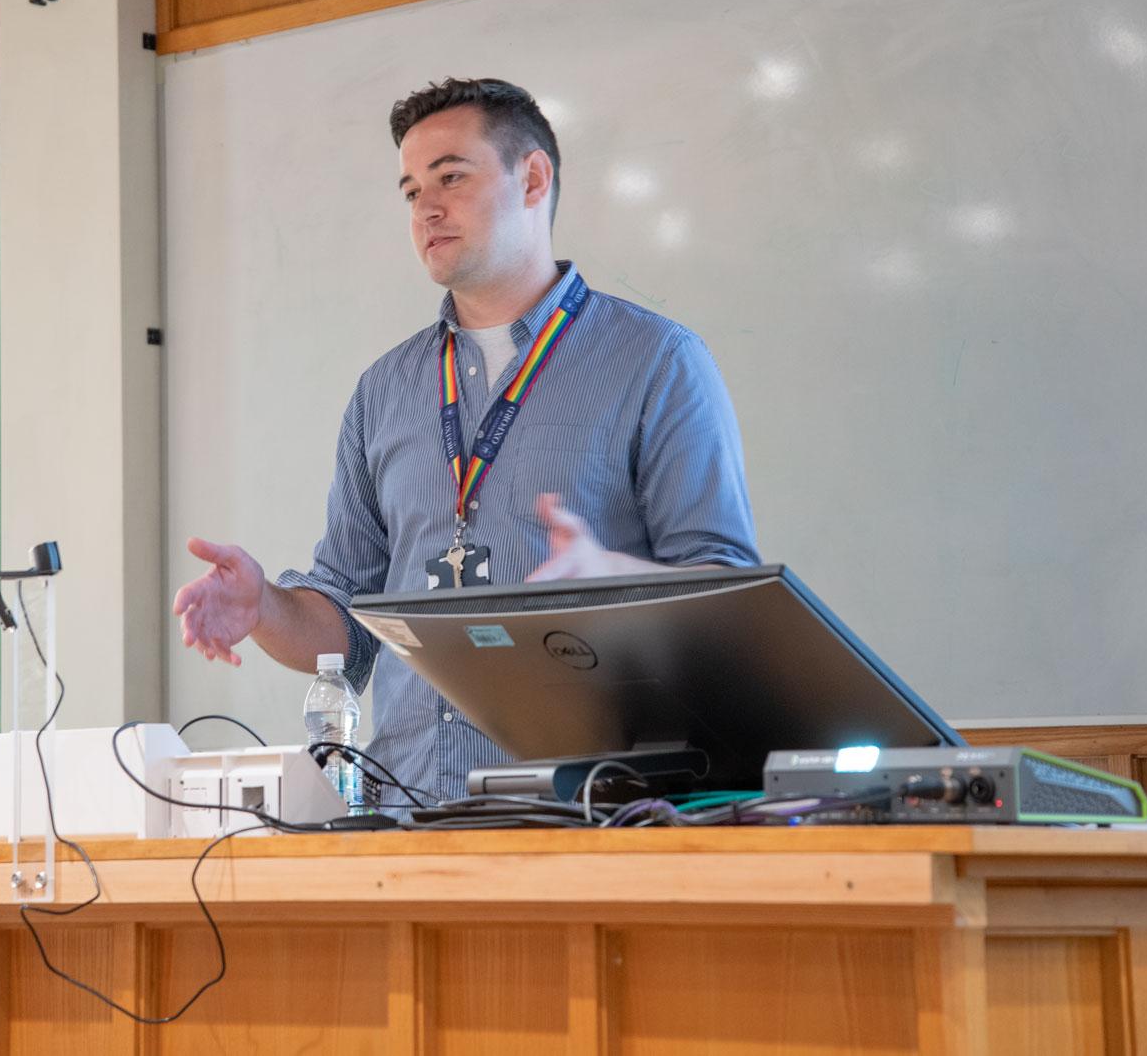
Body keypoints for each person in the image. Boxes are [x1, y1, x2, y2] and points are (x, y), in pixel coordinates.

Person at [173, 77, 759, 807]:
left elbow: (729, 601)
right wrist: (264, 605)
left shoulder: (656, 362)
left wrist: (612, 579)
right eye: (411, 191)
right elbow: (346, 632)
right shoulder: (385, 391)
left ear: (533, 179)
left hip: (588, 817)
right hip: (407, 814)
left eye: (451, 177)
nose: (426, 209)